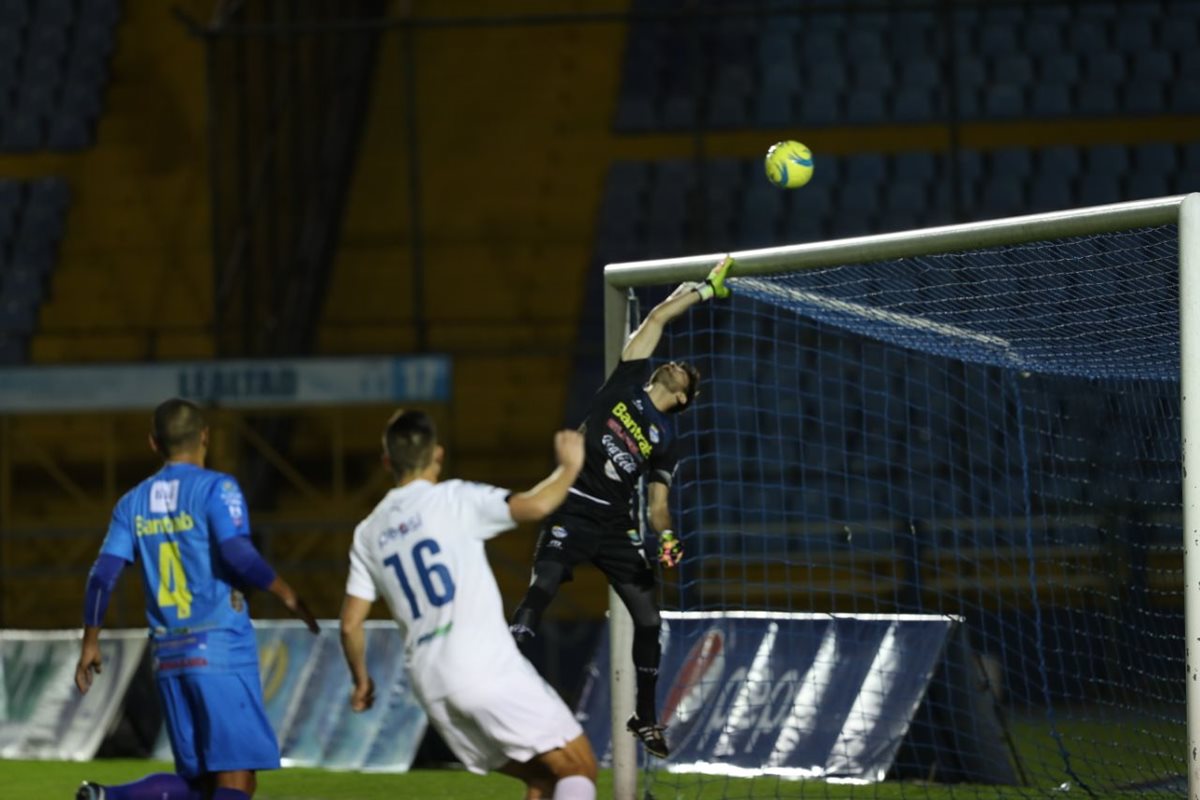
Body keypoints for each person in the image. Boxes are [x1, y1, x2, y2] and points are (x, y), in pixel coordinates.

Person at [508, 254, 734, 759]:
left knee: (648, 619)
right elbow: (656, 319)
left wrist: (670, 536)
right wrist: (703, 291)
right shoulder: (627, 382)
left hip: (613, 525)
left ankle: (645, 718)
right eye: (676, 365)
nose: (678, 365)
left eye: (686, 374)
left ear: (684, 398)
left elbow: (657, 506)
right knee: (543, 585)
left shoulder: (666, 438)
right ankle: (507, 657)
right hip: (573, 506)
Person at [339, 409, 597, 800]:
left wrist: (361, 681)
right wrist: (569, 466)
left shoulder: (368, 532)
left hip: (431, 686)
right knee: (579, 767)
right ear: (437, 454)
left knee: (545, 778)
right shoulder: (454, 499)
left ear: (387, 462)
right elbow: (536, 505)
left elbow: (349, 624)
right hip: (482, 668)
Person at [74, 398, 319, 800]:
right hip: (219, 644)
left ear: (154, 443)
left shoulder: (132, 503)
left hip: (169, 654)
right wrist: (289, 595)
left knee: (203, 784)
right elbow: (237, 552)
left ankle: (108, 797)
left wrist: (90, 643)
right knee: (237, 780)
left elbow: (102, 575)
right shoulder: (216, 489)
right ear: (205, 436)